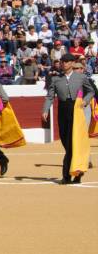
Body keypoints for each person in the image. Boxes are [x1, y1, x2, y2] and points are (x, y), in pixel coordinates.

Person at [41, 53, 94, 184]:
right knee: (66, 142)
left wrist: (86, 101)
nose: (63, 63)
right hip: (63, 110)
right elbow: (49, 96)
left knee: (73, 143)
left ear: (71, 63)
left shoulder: (81, 77)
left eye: (65, 61)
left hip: (77, 110)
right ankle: (77, 172)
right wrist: (45, 109)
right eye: (62, 61)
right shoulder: (55, 79)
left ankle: (67, 175)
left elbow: (91, 91)